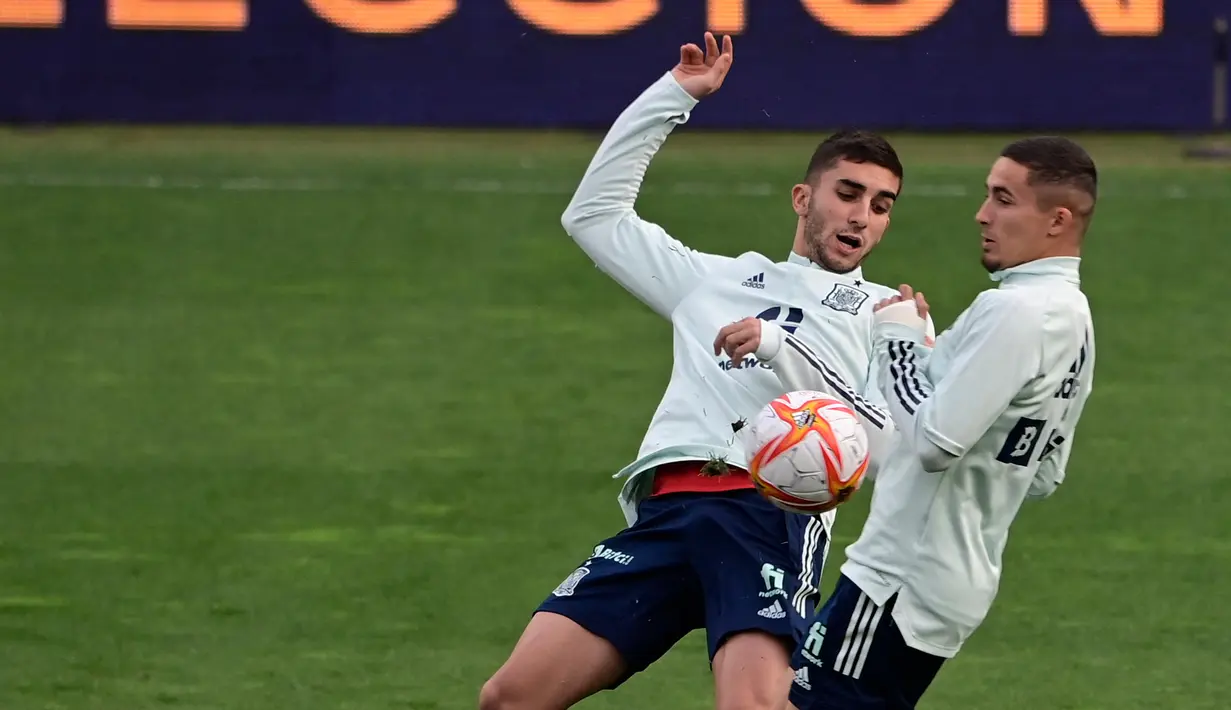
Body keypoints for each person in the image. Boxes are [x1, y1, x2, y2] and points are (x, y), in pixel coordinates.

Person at [479, 32, 927, 710]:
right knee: (509, 697)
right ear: (803, 198)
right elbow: (592, 215)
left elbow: (881, 450)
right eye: (848, 193)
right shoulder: (714, 282)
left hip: (766, 519)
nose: (860, 217)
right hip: (665, 514)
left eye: (880, 205)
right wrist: (672, 98)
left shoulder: (888, 314)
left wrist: (778, 347)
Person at [715, 136, 1098, 709]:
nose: (982, 213)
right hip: (955, 578)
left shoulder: (1014, 312)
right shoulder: (1076, 317)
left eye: (1003, 198)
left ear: (1056, 219)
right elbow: (1044, 473)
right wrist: (929, 362)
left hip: (899, 581)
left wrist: (896, 342)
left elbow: (933, 444)